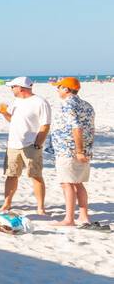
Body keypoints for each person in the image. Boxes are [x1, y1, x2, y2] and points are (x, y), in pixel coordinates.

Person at [0, 76, 50, 216]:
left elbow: (45, 125)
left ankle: (40, 207)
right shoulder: (17, 101)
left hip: (31, 145)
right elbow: (13, 120)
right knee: (11, 175)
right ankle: (6, 203)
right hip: (13, 144)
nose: (11, 89)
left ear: (20, 88)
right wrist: (4, 113)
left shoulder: (40, 102)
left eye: (12, 87)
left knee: (36, 175)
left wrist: (38, 144)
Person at [51, 77, 94, 227]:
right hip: (82, 149)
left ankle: (69, 219)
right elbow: (91, 129)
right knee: (78, 183)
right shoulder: (87, 105)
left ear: (66, 89)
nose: (57, 90)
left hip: (69, 150)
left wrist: (79, 151)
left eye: (59, 87)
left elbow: (77, 128)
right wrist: (87, 149)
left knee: (67, 183)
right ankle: (83, 217)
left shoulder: (67, 105)